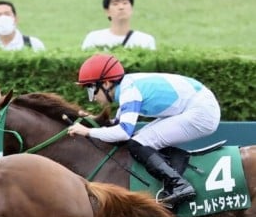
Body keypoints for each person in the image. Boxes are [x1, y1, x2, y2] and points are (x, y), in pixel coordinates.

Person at [68, 53, 220, 207]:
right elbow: (118, 126)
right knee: (140, 140)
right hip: (197, 105)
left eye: (92, 89)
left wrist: (88, 132)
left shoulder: (129, 91)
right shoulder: (127, 87)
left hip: (201, 112)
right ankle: (176, 179)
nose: (93, 98)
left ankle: (179, 185)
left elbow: (122, 133)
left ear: (106, 83)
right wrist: (93, 121)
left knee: (138, 143)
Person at [81, 0, 155, 50]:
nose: (121, 7)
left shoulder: (146, 40)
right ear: (107, 11)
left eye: (125, 3)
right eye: (115, 4)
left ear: (131, 8)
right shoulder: (94, 39)